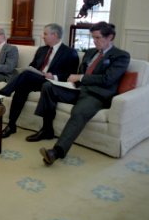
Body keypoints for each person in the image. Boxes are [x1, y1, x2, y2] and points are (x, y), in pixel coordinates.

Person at [35, 22, 130, 165]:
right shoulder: (90, 52)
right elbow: (81, 72)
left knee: (78, 112)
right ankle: (47, 129)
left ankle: (56, 152)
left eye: (98, 38)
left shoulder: (121, 56)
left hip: (96, 95)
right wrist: (72, 81)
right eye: (93, 38)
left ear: (110, 37)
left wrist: (80, 78)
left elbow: (108, 79)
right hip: (78, 90)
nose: (94, 41)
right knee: (48, 87)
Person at [0, 23, 79, 139]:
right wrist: (30, 69)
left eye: (45, 34)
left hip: (52, 83)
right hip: (37, 79)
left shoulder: (69, 52)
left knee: (25, 76)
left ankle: (3, 93)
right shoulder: (42, 50)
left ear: (55, 35)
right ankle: (11, 125)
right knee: (21, 87)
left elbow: (71, 75)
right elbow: (32, 66)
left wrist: (54, 76)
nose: (42, 36)